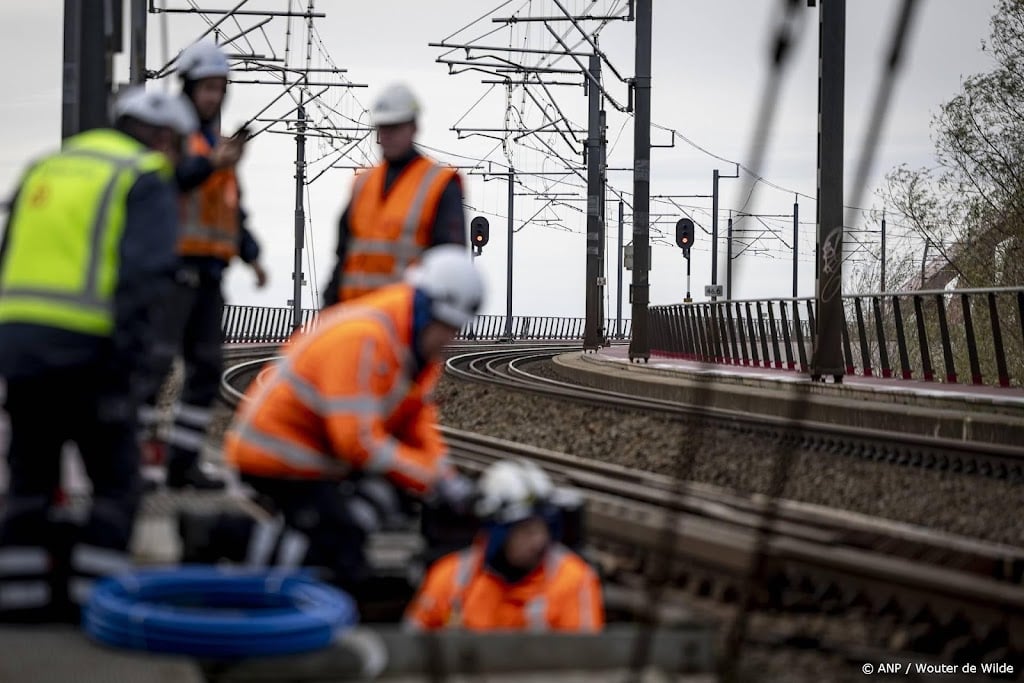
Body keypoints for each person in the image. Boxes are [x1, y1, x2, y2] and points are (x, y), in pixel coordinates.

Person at [178, 245, 481, 597]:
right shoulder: (365, 338)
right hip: (279, 462)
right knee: (340, 560)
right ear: (427, 310)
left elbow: (415, 423)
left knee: (384, 502)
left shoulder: (411, 348)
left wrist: (446, 476)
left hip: (316, 460)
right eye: (447, 327)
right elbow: (358, 443)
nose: (451, 339)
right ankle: (216, 533)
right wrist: (430, 478)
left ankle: (322, 535)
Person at [0, 88, 196, 621]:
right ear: (161, 138)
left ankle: (20, 609)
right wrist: (136, 368)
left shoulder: (48, 167)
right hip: (91, 353)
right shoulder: (142, 175)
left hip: (20, 349)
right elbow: (143, 280)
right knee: (115, 484)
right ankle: (94, 607)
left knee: (29, 479)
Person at [136, 40, 267, 490]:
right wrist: (212, 162)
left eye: (219, 88)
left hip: (210, 274)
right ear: (188, 87)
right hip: (172, 269)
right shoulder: (174, 137)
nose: (213, 96)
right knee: (154, 365)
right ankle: (138, 462)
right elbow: (174, 179)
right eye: (206, 87)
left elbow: (231, 208)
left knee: (206, 367)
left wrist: (252, 256)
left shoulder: (217, 146)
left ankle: (183, 462)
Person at [404, 459, 604, 632]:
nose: (538, 541)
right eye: (526, 531)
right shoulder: (450, 578)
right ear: (498, 534)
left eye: (542, 530)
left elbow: (586, 664)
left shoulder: (573, 581)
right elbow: (411, 651)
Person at [322, 83, 466, 306]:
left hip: (406, 319)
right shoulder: (363, 184)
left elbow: (450, 264)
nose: (387, 135)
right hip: (356, 315)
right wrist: (328, 312)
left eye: (395, 127)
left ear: (413, 127)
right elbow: (344, 256)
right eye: (382, 127)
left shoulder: (439, 184)